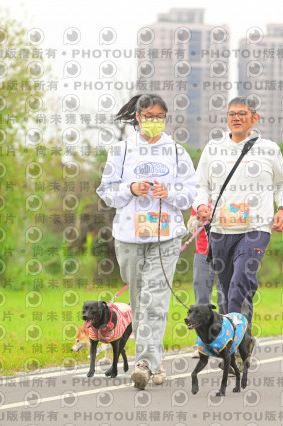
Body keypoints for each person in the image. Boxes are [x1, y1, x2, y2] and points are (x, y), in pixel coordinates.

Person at [96, 94, 197, 389]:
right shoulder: (121, 151)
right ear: (138, 117)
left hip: (166, 236)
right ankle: (154, 359)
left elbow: (190, 193)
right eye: (149, 116)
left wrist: (170, 193)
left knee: (156, 298)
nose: (154, 121)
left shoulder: (176, 152)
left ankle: (144, 363)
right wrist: (130, 188)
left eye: (160, 117)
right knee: (139, 300)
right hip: (129, 236)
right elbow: (106, 192)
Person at [193, 96, 283, 356]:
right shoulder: (213, 148)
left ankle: (233, 345)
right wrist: (201, 205)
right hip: (220, 230)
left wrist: (282, 208)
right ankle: (241, 339)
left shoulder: (269, 149)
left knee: (240, 281)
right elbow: (200, 185)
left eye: (242, 114)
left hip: (256, 229)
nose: (236, 118)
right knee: (227, 291)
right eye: (231, 114)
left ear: (254, 118)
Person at [187, 205, 221, 358]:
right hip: (202, 253)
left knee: (224, 298)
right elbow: (191, 226)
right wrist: (198, 221)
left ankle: (224, 340)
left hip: (226, 253)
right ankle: (201, 343)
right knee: (201, 300)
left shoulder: (230, 195)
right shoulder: (200, 200)